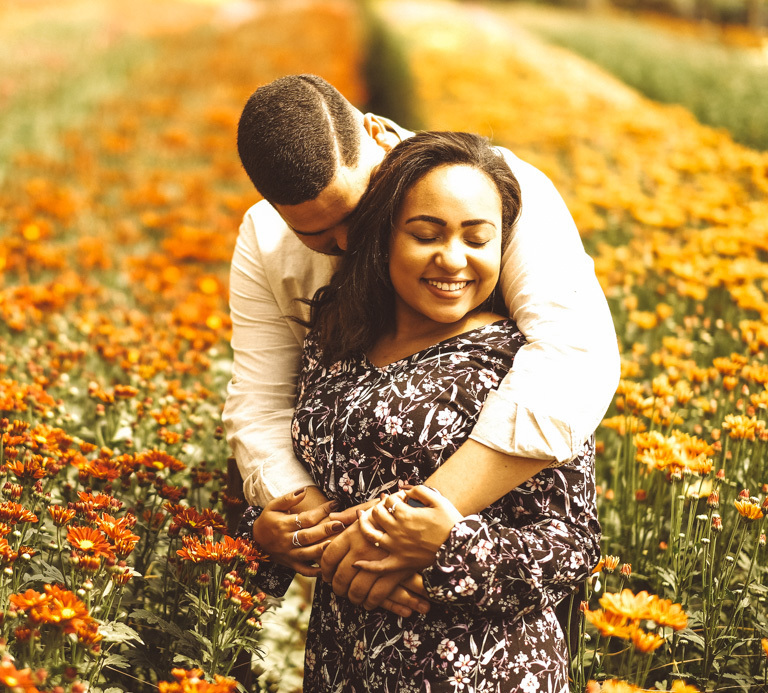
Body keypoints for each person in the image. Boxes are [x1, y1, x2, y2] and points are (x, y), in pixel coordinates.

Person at [224, 74, 618, 613]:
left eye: (356, 215)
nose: (345, 244)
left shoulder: (489, 189)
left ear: (377, 133)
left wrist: (411, 529)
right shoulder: (265, 240)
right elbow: (262, 402)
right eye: (315, 235)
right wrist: (307, 521)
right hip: (346, 616)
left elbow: (574, 360)